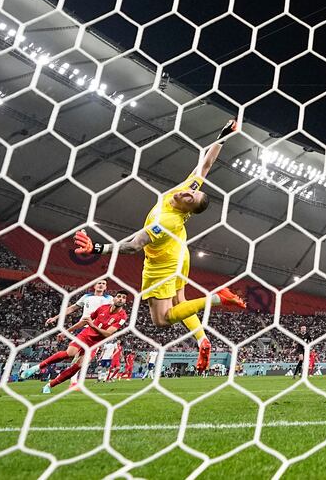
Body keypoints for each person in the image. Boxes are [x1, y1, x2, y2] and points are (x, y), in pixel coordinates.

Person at [72, 119, 246, 373]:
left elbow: (134, 246)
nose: (186, 193)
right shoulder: (186, 189)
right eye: (191, 192)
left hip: (163, 263)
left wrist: (97, 248)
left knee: (162, 320)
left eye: (190, 198)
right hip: (179, 251)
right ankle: (202, 339)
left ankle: (217, 299)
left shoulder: (167, 221)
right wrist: (222, 136)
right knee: (181, 301)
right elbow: (206, 165)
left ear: (188, 209)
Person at [20, 290, 129, 393]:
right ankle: (36, 368)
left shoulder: (122, 316)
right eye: (119, 296)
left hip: (95, 343)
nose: (120, 299)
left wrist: (92, 325)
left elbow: (107, 333)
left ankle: (49, 386)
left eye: (123, 298)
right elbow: (83, 322)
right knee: (70, 353)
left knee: (78, 366)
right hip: (85, 335)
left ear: (125, 302)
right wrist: (65, 332)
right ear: (114, 298)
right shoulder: (103, 308)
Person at [45, 279, 112, 388]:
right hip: (83, 328)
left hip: (97, 332)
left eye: (103, 284)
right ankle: (72, 380)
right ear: (94, 286)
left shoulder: (109, 299)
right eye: (99, 283)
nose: (101, 285)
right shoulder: (86, 297)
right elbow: (72, 308)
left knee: (84, 359)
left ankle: (71, 379)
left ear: (106, 287)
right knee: (74, 354)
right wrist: (55, 317)